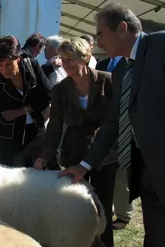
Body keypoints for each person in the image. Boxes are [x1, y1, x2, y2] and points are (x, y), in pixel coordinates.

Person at [59, 3, 165, 246]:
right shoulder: (120, 71)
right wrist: (85, 165)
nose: (99, 42)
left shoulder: (160, 45)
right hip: (148, 172)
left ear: (122, 28)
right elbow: (114, 122)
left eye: (100, 34)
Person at [34, 37, 118, 247]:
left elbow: (117, 121)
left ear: (86, 57)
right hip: (74, 153)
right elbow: (54, 127)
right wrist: (44, 155)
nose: (66, 63)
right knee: (77, 204)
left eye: (72, 58)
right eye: (63, 58)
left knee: (103, 208)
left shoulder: (109, 81)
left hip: (104, 155)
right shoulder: (60, 89)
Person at [0, 35, 52, 167]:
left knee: (37, 175)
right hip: (11, 139)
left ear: (18, 59)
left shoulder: (32, 65)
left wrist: (23, 110)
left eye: (8, 64)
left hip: (36, 131)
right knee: (12, 177)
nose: (4, 70)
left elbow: (49, 95)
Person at [95, 55, 135, 230]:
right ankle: (108, 208)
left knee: (122, 170)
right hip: (105, 122)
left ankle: (123, 214)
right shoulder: (102, 63)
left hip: (126, 122)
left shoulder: (133, 63)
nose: (101, 41)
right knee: (106, 168)